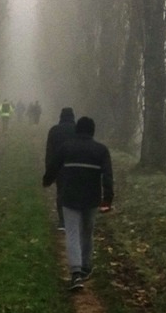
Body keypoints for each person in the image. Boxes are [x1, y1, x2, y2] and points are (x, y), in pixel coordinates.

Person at [42, 116, 113, 292]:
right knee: (87, 232)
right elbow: (108, 176)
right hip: (92, 199)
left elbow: (53, 167)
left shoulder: (66, 148)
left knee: (72, 233)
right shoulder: (101, 150)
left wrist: (47, 180)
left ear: (77, 130)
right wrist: (107, 198)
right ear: (93, 131)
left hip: (70, 197)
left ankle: (75, 273)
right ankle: (86, 266)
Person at [44, 107, 76, 230]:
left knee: (61, 192)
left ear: (60, 117)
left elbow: (49, 152)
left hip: (60, 167)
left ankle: (62, 221)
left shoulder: (54, 131)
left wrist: (49, 171)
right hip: (77, 167)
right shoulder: (79, 129)